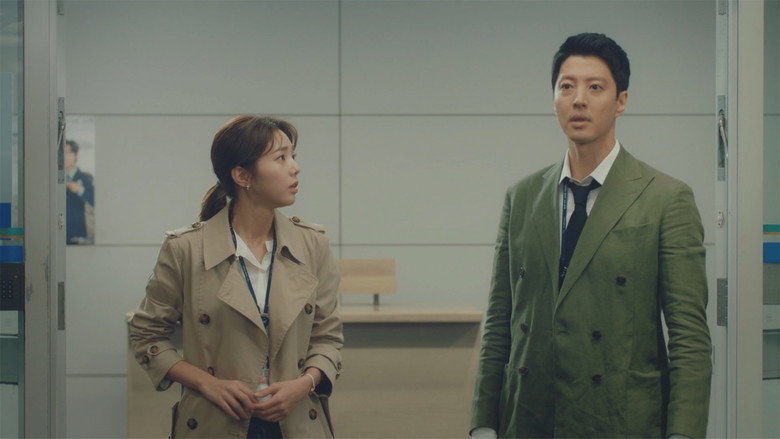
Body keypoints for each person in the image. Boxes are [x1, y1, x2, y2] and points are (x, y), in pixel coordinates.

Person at [470, 33, 712, 438]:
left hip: (621, 419)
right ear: (554, 98)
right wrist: (482, 422)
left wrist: (683, 432)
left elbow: (689, 336)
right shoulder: (523, 196)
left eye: (595, 87)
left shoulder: (665, 198)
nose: (578, 100)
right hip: (529, 418)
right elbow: (500, 319)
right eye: (566, 87)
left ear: (621, 101)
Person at [128, 115, 343, 438]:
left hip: (296, 421)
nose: (295, 168)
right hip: (215, 420)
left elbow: (327, 337)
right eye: (281, 158)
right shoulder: (186, 249)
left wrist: (304, 383)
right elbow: (147, 335)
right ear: (243, 175)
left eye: (293, 156)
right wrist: (207, 384)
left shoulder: (312, 245)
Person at [64, 139, 95, 244]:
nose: (65, 157)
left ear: (76, 155)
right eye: (62, 153)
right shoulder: (54, 179)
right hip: (58, 235)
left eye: (68, 152)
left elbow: (94, 201)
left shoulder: (86, 178)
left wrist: (80, 190)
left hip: (79, 235)